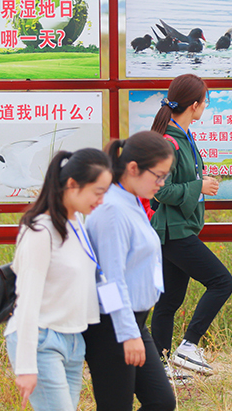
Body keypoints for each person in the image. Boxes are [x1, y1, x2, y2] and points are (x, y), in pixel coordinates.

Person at [4, 148, 112, 410]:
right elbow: (27, 301)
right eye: (97, 192)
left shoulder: (77, 223)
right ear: (72, 185)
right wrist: (27, 366)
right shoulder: (40, 232)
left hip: (74, 341)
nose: (101, 200)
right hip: (42, 340)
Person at [83, 131, 176, 411]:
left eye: (165, 177)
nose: (161, 184)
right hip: (112, 325)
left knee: (161, 401)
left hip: (134, 321)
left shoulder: (131, 199)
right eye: (158, 176)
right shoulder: (112, 210)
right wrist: (127, 334)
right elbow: (109, 281)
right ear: (133, 168)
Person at [149, 74, 232, 376]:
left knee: (169, 300)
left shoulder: (182, 135)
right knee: (222, 282)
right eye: (205, 101)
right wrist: (199, 187)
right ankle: (188, 347)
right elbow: (159, 189)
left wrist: (198, 185)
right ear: (195, 105)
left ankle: (158, 366)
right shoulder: (168, 141)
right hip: (174, 232)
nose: (205, 107)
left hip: (178, 229)